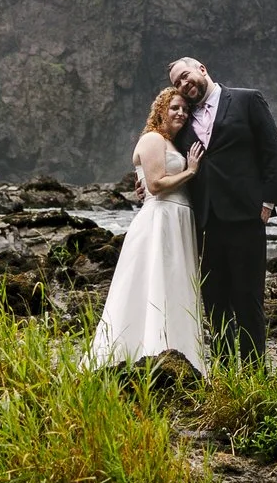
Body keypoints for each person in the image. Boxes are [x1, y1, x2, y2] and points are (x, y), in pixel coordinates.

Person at [168, 56, 277, 365]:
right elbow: (159, 150)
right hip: (206, 221)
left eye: (185, 75)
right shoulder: (181, 121)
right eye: (177, 82)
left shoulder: (247, 99)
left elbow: (274, 150)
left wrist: (268, 203)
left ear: (201, 68)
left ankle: (254, 371)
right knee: (215, 299)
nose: (183, 84)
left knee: (248, 299)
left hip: (246, 215)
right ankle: (222, 371)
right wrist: (146, 180)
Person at [89, 87, 210, 373]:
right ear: (160, 110)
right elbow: (155, 185)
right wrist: (191, 171)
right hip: (162, 217)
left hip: (177, 216)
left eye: (184, 109)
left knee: (175, 282)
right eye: (174, 108)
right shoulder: (153, 139)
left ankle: (177, 352)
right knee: (156, 280)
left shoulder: (170, 142)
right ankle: (151, 350)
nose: (181, 113)